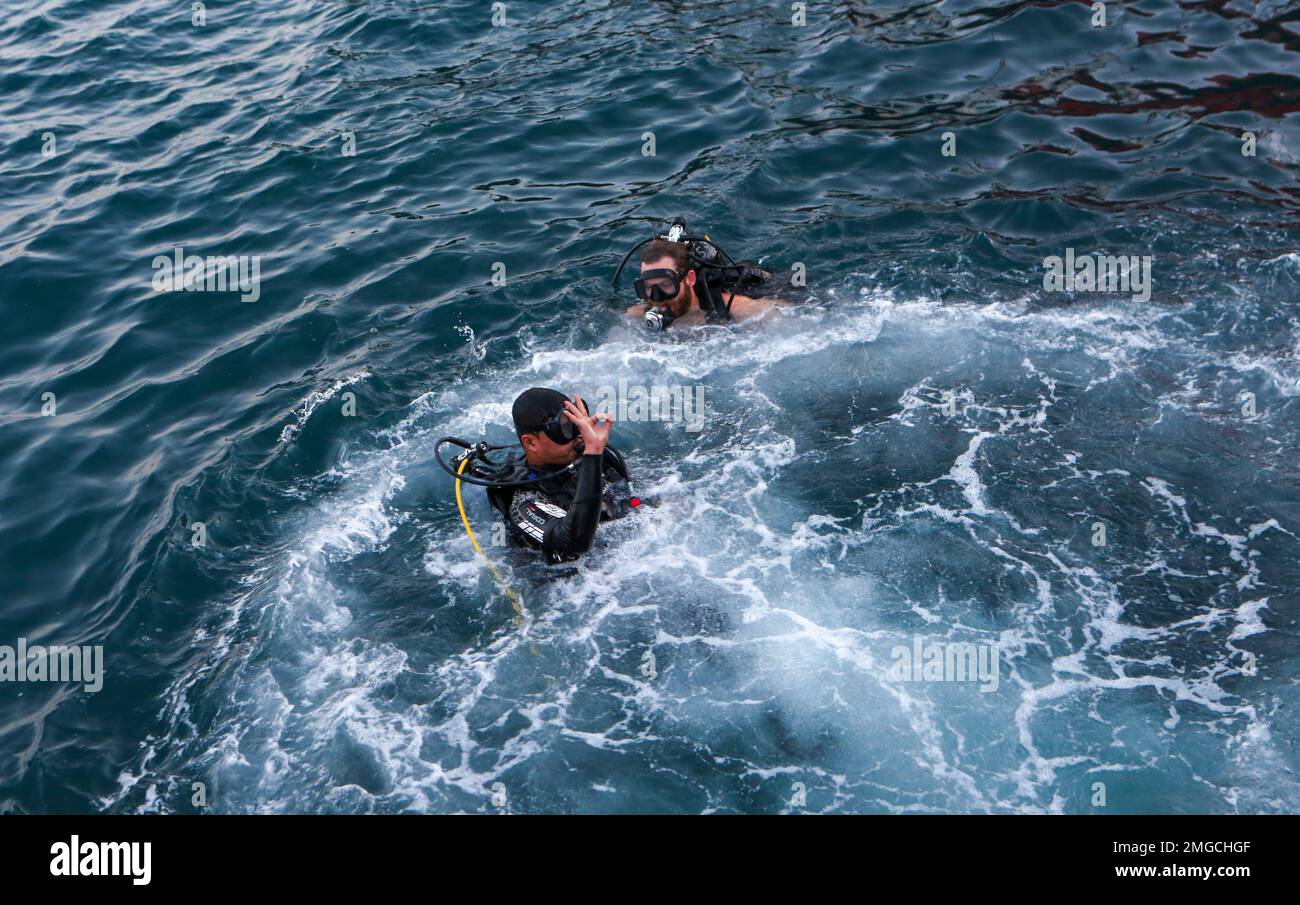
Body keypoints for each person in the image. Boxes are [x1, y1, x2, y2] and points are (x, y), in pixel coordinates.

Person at [485, 387, 638, 563]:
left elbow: (632, 500)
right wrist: (593, 453)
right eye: (565, 428)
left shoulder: (592, 458)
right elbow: (576, 542)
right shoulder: (523, 501)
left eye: (576, 423)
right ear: (531, 442)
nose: (580, 434)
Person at [624, 239, 777, 328]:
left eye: (666, 285)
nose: (657, 297)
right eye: (649, 287)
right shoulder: (637, 314)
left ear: (689, 279)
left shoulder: (738, 308)